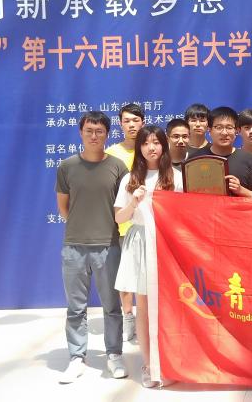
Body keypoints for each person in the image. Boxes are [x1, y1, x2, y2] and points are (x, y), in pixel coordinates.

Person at [55, 111, 130, 384]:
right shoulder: (67, 166)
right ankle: (77, 357)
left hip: (108, 245)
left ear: (107, 134)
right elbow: (63, 208)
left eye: (99, 131)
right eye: (89, 130)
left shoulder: (118, 167)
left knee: (112, 306)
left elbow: (123, 206)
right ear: (81, 132)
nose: (94, 135)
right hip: (74, 246)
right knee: (76, 308)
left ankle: (114, 354)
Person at [113, 126, 182, 388]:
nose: (151, 147)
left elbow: (184, 214)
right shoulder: (130, 178)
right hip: (140, 241)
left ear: (164, 146)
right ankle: (148, 364)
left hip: (166, 242)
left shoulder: (175, 176)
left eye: (156, 142)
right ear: (139, 147)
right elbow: (119, 217)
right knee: (143, 307)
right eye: (145, 143)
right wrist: (134, 201)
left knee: (168, 305)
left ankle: (169, 361)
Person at [105, 103, 144, 343]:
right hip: (122, 225)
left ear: (143, 122)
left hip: (148, 225)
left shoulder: (151, 148)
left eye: (135, 120)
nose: (131, 125)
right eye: (127, 121)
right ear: (120, 124)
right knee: (126, 277)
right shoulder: (112, 153)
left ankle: (146, 319)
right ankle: (128, 317)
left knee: (147, 278)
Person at [196, 106, 252, 194]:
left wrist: (241, 190)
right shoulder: (197, 159)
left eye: (229, 127)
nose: (224, 133)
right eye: (218, 127)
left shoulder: (248, 159)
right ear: (209, 130)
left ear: (236, 130)